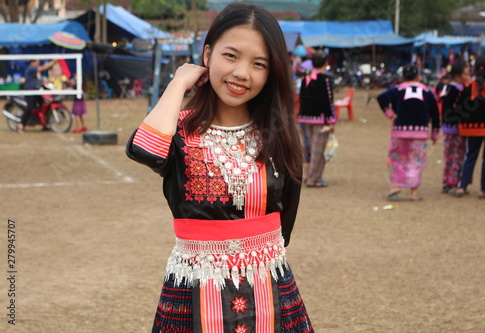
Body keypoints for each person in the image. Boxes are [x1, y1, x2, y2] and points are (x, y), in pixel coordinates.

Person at [125, 3, 314, 332]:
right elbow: (145, 151)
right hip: (194, 289)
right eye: (231, 56)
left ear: (271, 74)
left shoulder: (277, 135)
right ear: (207, 54)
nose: (242, 73)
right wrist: (179, 83)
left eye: (259, 64)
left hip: (269, 287)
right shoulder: (179, 132)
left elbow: (286, 223)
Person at [377, 65, 440, 201]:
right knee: (416, 161)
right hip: (420, 133)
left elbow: (381, 98)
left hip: (400, 131)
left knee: (396, 158)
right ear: (418, 76)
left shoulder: (397, 89)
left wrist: (390, 114)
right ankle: (414, 192)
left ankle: (396, 186)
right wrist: (435, 133)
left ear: (403, 78)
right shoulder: (428, 92)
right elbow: (435, 114)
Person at [451, 54, 485, 199]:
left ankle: (462, 187)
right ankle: (483, 190)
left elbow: (459, 106)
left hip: (471, 127)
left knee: (470, 156)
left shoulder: (467, 87)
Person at [297, 50, 336, 187]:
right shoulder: (324, 79)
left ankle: (312, 176)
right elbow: (327, 101)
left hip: (305, 119)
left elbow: (302, 99)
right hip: (320, 120)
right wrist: (331, 120)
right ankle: (313, 178)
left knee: (310, 148)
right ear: (326, 63)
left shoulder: (305, 79)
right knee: (318, 149)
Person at [438, 62, 470, 193]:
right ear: (458, 76)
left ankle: (447, 181)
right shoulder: (460, 89)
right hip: (457, 128)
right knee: (458, 155)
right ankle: (454, 182)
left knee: (449, 155)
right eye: (466, 74)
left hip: (447, 127)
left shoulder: (447, 87)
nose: (468, 77)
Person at [18, 58, 58, 133]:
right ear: (32, 62)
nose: (38, 63)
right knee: (30, 108)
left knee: (43, 105)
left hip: (36, 91)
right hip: (30, 91)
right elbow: (42, 68)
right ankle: (21, 125)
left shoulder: (35, 71)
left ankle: (43, 124)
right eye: (37, 62)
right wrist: (52, 62)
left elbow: (38, 80)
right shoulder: (31, 68)